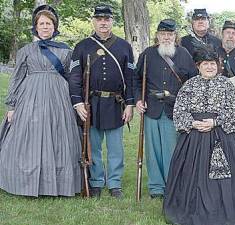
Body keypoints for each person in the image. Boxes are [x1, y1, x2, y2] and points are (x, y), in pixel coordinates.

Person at [163, 46, 235, 225]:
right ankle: (191, 208)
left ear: (218, 66)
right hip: (194, 136)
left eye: (213, 64)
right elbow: (179, 111)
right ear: (198, 66)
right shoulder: (189, 85)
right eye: (206, 64)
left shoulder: (227, 85)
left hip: (222, 136)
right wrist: (193, 123)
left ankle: (227, 209)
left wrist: (215, 122)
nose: (210, 67)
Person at [0, 5, 81, 197]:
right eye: (41, 24)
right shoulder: (26, 50)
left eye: (49, 24)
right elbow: (17, 78)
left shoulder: (66, 51)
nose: (45, 27)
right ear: (35, 27)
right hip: (30, 98)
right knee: (30, 135)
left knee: (58, 135)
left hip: (59, 99)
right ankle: (24, 180)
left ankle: (59, 183)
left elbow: (72, 78)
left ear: (55, 27)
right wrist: (11, 105)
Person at [69, 4, 134, 198]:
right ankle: (96, 181)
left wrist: (130, 104)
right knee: (93, 146)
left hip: (115, 104)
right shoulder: (82, 46)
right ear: (94, 21)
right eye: (99, 19)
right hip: (91, 103)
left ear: (112, 21)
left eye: (106, 19)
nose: (103, 22)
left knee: (115, 148)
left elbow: (130, 77)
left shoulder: (124, 46)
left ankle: (114, 183)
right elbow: (74, 77)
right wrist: (78, 102)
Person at [134, 19, 197, 199]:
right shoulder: (147, 54)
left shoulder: (184, 54)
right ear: (158, 35)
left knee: (172, 149)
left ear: (175, 36)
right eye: (163, 34)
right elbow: (136, 79)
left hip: (174, 109)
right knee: (153, 151)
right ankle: (156, 187)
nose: (166, 37)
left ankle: (173, 183)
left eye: (170, 34)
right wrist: (139, 99)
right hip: (151, 108)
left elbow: (192, 82)